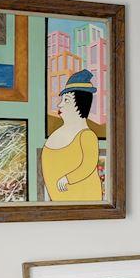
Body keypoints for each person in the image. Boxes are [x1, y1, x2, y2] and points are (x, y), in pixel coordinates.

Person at [41, 69, 103, 202]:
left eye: (66, 100)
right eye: (61, 100)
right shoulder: (58, 133)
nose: (60, 104)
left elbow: (88, 165)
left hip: (85, 201)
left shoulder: (87, 136)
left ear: (80, 104)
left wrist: (68, 178)